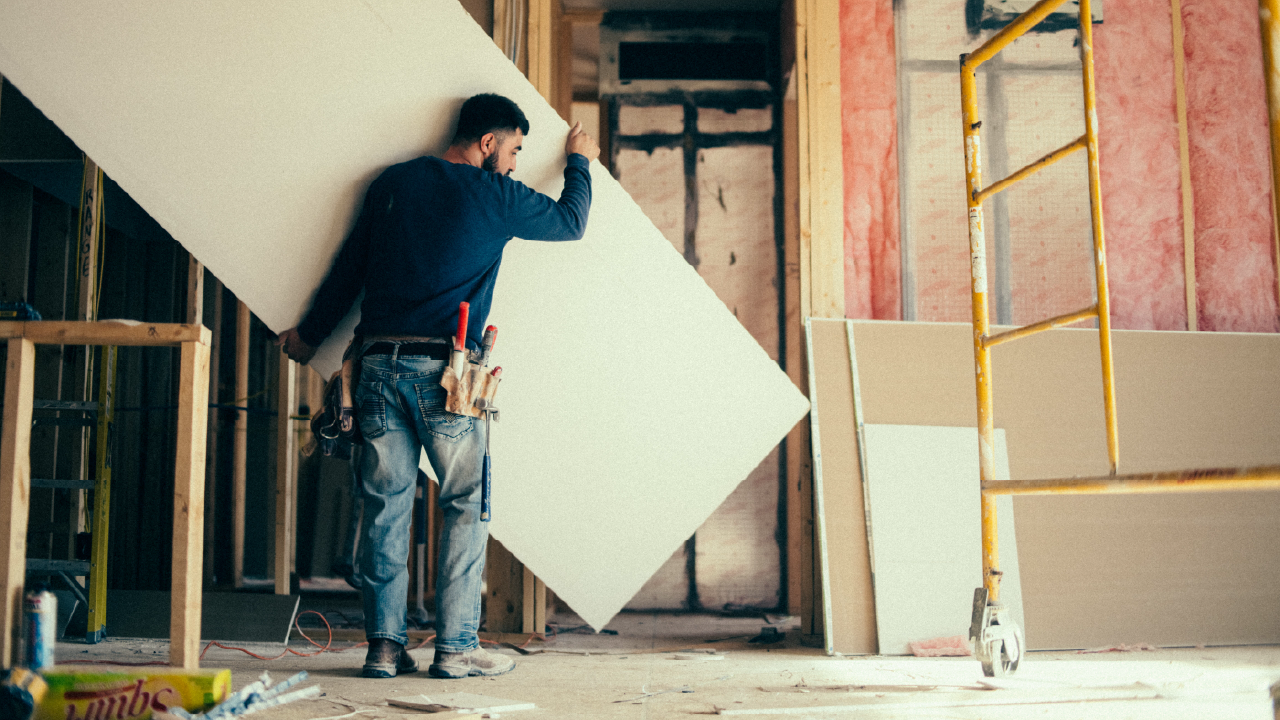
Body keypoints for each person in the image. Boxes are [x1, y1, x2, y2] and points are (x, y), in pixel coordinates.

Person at [277, 93, 598, 679]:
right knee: (464, 507)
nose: (516, 162)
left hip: (373, 370)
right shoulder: (496, 196)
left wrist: (310, 334)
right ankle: (455, 650)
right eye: (516, 149)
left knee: (384, 511)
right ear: (487, 143)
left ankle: (382, 649)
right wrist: (579, 162)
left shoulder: (393, 183)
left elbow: (350, 268)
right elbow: (571, 223)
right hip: (448, 380)